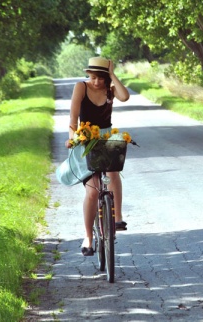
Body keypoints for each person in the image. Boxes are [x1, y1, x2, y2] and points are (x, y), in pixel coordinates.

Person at [65, 57, 130, 256]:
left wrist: (112, 75)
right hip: (85, 138)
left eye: (100, 78)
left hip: (106, 137)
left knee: (113, 172)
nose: (96, 82)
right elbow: (73, 118)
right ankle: (88, 237)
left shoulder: (110, 89)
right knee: (93, 191)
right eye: (92, 77)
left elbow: (125, 97)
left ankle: (117, 217)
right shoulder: (81, 87)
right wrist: (72, 138)